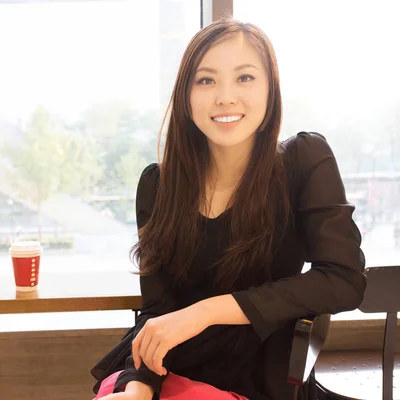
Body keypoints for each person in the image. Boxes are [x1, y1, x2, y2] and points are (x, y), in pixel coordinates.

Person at [91, 18, 366, 400]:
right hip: (167, 366)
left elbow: (344, 281)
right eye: (206, 80)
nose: (225, 97)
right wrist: (139, 387)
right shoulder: (157, 185)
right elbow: (159, 310)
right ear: (186, 96)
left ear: (271, 91)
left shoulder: (304, 160)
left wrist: (205, 311)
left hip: (257, 373)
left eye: (245, 78)